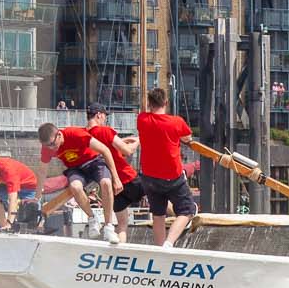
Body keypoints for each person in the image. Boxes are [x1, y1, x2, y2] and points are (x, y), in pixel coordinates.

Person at [37, 120, 123, 243]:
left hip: (94, 162)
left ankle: (109, 227)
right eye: (47, 146)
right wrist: (37, 196)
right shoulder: (47, 148)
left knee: (106, 183)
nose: (51, 148)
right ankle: (92, 219)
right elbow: (41, 171)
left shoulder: (75, 134)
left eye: (52, 144)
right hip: (75, 168)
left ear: (59, 135)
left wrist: (116, 178)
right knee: (75, 187)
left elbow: (105, 150)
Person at [133, 87, 199, 248]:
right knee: (187, 210)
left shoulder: (142, 119)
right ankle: (168, 243)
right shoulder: (176, 122)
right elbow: (187, 137)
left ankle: (160, 247)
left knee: (158, 214)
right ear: (166, 103)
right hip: (172, 176)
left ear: (149, 103)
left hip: (149, 177)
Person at [87, 104, 143, 241]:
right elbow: (128, 151)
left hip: (112, 187)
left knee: (122, 224)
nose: (105, 119)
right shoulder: (106, 131)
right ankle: (182, 217)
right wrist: (138, 141)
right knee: (159, 193)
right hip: (127, 177)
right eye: (105, 116)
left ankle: (120, 250)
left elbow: (104, 149)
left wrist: (123, 140)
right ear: (99, 115)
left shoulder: (85, 135)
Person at [0, 154, 40, 230]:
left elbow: (12, 199)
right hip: (9, 184)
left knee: (32, 221)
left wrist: (10, 222)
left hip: (29, 188)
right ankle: (4, 227)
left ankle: (9, 225)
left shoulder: (9, 172)